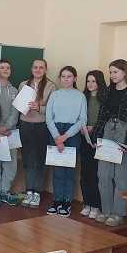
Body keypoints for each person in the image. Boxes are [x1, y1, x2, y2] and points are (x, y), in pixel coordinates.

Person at [94, 59, 127, 227]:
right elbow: (101, 115)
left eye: (115, 72)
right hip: (107, 130)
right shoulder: (108, 91)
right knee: (103, 175)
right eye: (110, 72)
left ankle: (118, 213)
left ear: (125, 72)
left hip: (124, 132)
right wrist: (97, 137)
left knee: (121, 177)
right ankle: (106, 210)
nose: (112, 75)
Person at [45, 66, 87, 217]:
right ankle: (57, 200)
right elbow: (49, 118)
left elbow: (82, 119)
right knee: (57, 170)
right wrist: (57, 137)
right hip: (55, 131)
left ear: (75, 78)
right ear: (60, 78)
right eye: (63, 76)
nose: (66, 79)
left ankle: (67, 202)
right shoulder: (55, 95)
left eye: (69, 76)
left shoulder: (80, 96)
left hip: (72, 133)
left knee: (69, 170)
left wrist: (66, 136)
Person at [19, 59, 56, 208]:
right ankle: (29, 191)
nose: (38, 70)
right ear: (31, 69)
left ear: (45, 70)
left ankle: (37, 193)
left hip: (42, 125)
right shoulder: (23, 84)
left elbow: (53, 109)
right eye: (35, 67)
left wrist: (39, 107)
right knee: (27, 160)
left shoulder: (51, 86)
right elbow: (18, 106)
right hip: (25, 125)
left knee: (40, 160)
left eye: (41, 67)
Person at [0, 59, 20, 206]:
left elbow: (15, 112)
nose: (6, 70)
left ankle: (5, 191)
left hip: (11, 132)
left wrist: (7, 127)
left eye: (8, 67)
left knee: (11, 164)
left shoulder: (14, 90)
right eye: (2, 67)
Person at [79, 70, 107, 219]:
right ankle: (87, 203)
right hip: (84, 138)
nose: (90, 84)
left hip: (98, 140)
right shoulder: (83, 97)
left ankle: (96, 205)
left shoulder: (105, 99)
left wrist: (94, 129)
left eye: (94, 81)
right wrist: (82, 128)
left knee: (95, 174)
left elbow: (104, 120)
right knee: (85, 173)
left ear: (99, 82)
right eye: (88, 81)